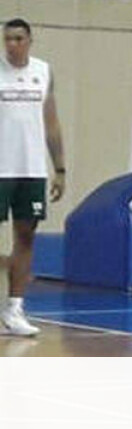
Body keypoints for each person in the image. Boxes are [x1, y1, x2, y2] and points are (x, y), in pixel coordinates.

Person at [0, 18, 66, 337]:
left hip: (31, 170)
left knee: (26, 237)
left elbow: (51, 122)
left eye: (18, 38)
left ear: (29, 40)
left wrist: (60, 168)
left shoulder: (43, 71)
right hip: (1, 169)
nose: (12, 44)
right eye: (7, 39)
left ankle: (14, 309)